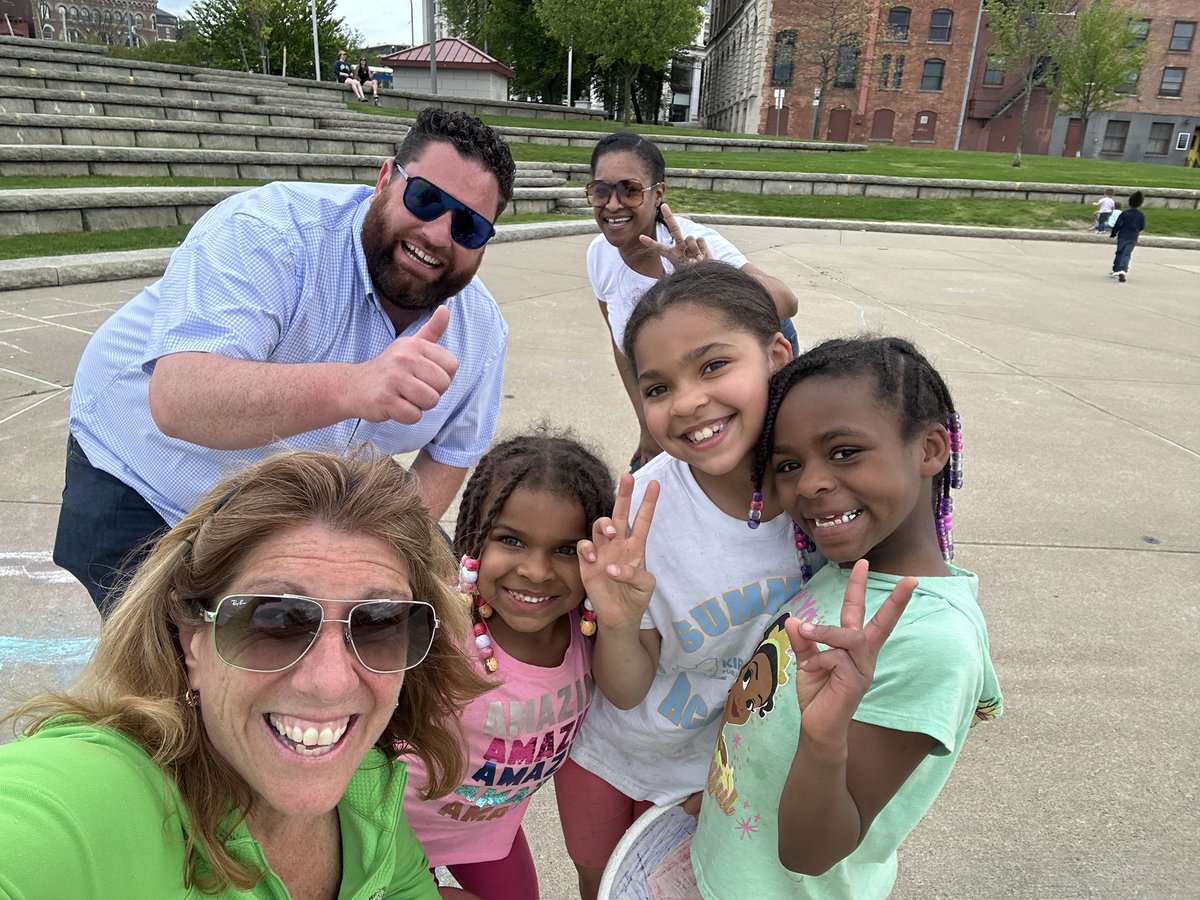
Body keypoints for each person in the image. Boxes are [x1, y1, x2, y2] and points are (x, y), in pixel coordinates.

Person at [54, 107, 517, 617]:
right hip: (147, 476)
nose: (437, 233)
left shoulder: (481, 330)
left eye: (469, 227)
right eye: (426, 199)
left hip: (281, 510)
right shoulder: (268, 231)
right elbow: (180, 397)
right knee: (176, 674)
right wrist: (356, 385)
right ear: (386, 178)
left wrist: (378, 546)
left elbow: (451, 454)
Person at [0, 450, 494, 898]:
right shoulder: (95, 800)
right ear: (190, 640)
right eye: (274, 620)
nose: (331, 683)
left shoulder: (367, 783)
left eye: (379, 624)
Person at [683, 336, 1003, 898]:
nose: (810, 483)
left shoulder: (930, 640)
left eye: (845, 451)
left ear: (930, 449)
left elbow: (812, 852)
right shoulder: (846, 568)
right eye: (788, 464)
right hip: (727, 869)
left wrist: (824, 738)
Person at [555, 262, 803, 900]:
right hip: (608, 757)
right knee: (602, 884)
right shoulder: (647, 510)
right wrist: (615, 619)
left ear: (777, 355)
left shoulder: (821, 508)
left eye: (714, 365)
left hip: (715, 774)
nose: (689, 401)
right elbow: (628, 686)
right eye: (657, 387)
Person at [402, 428, 616, 900]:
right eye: (511, 540)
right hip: (388, 830)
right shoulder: (438, 628)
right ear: (473, 539)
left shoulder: (590, 631)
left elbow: (630, 685)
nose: (536, 571)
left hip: (487, 829)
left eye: (565, 549)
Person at [584, 132, 801, 471]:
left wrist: (709, 278)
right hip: (681, 377)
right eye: (601, 190)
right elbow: (622, 346)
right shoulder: (599, 255)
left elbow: (787, 302)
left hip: (745, 361)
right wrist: (646, 429)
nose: (612, 204)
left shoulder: (689, 243)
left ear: (657, 194)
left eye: (629, 190)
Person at [1109, 190, 1146, 283]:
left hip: (1122, 235)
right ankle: (1123, 269)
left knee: (1119, 252)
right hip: (1133, 236)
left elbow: (1118, 224)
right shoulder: (1141, 214)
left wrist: (1114, 233)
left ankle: (1116, 269)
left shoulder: (1125, 213)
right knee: (1127, 253)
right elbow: (1142, 226)